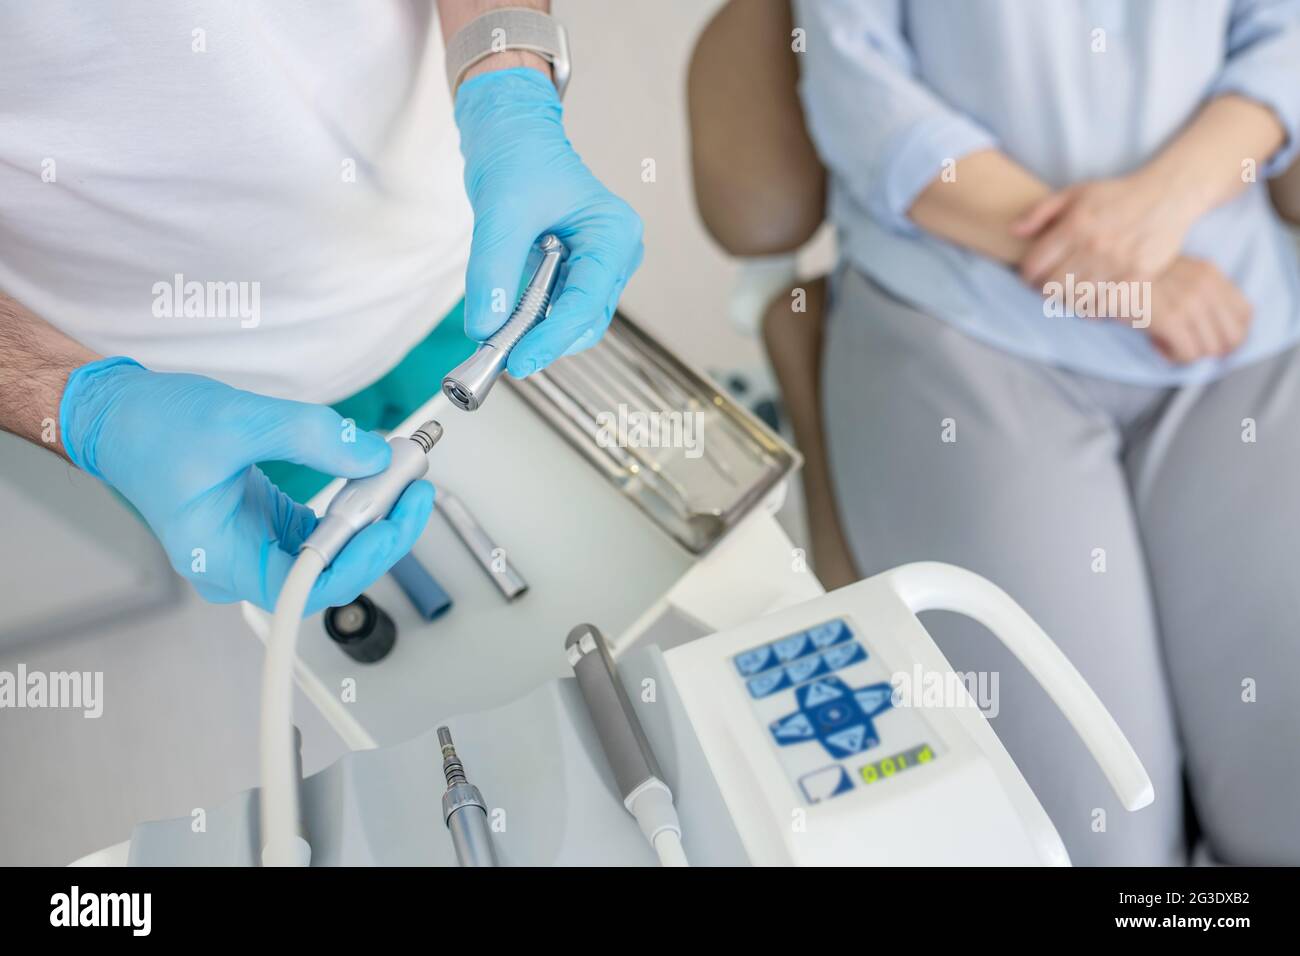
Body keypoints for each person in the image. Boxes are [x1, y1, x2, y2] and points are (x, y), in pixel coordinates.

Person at [796, 0, 1300, 864]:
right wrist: (1114, 266)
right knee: (1101, 842)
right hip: (961, 320)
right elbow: (857, 87)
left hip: (1229, 319)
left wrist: (1157, 211)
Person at [0, 1, 642, 615]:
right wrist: (82, 405)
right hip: (199, 405)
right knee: (320, 559)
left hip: (469, 262)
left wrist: (508, 83)